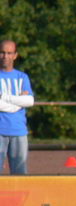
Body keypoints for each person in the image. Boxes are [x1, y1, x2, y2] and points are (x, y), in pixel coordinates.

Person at [0, 40, 34, 174]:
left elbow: (29, 101)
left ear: (15, 55)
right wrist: (18, 102)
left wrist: (3, 96)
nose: (5, 56)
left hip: (19, 131)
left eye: (9, 53)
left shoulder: (22, 77)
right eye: (2, 52)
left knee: (20, 174)